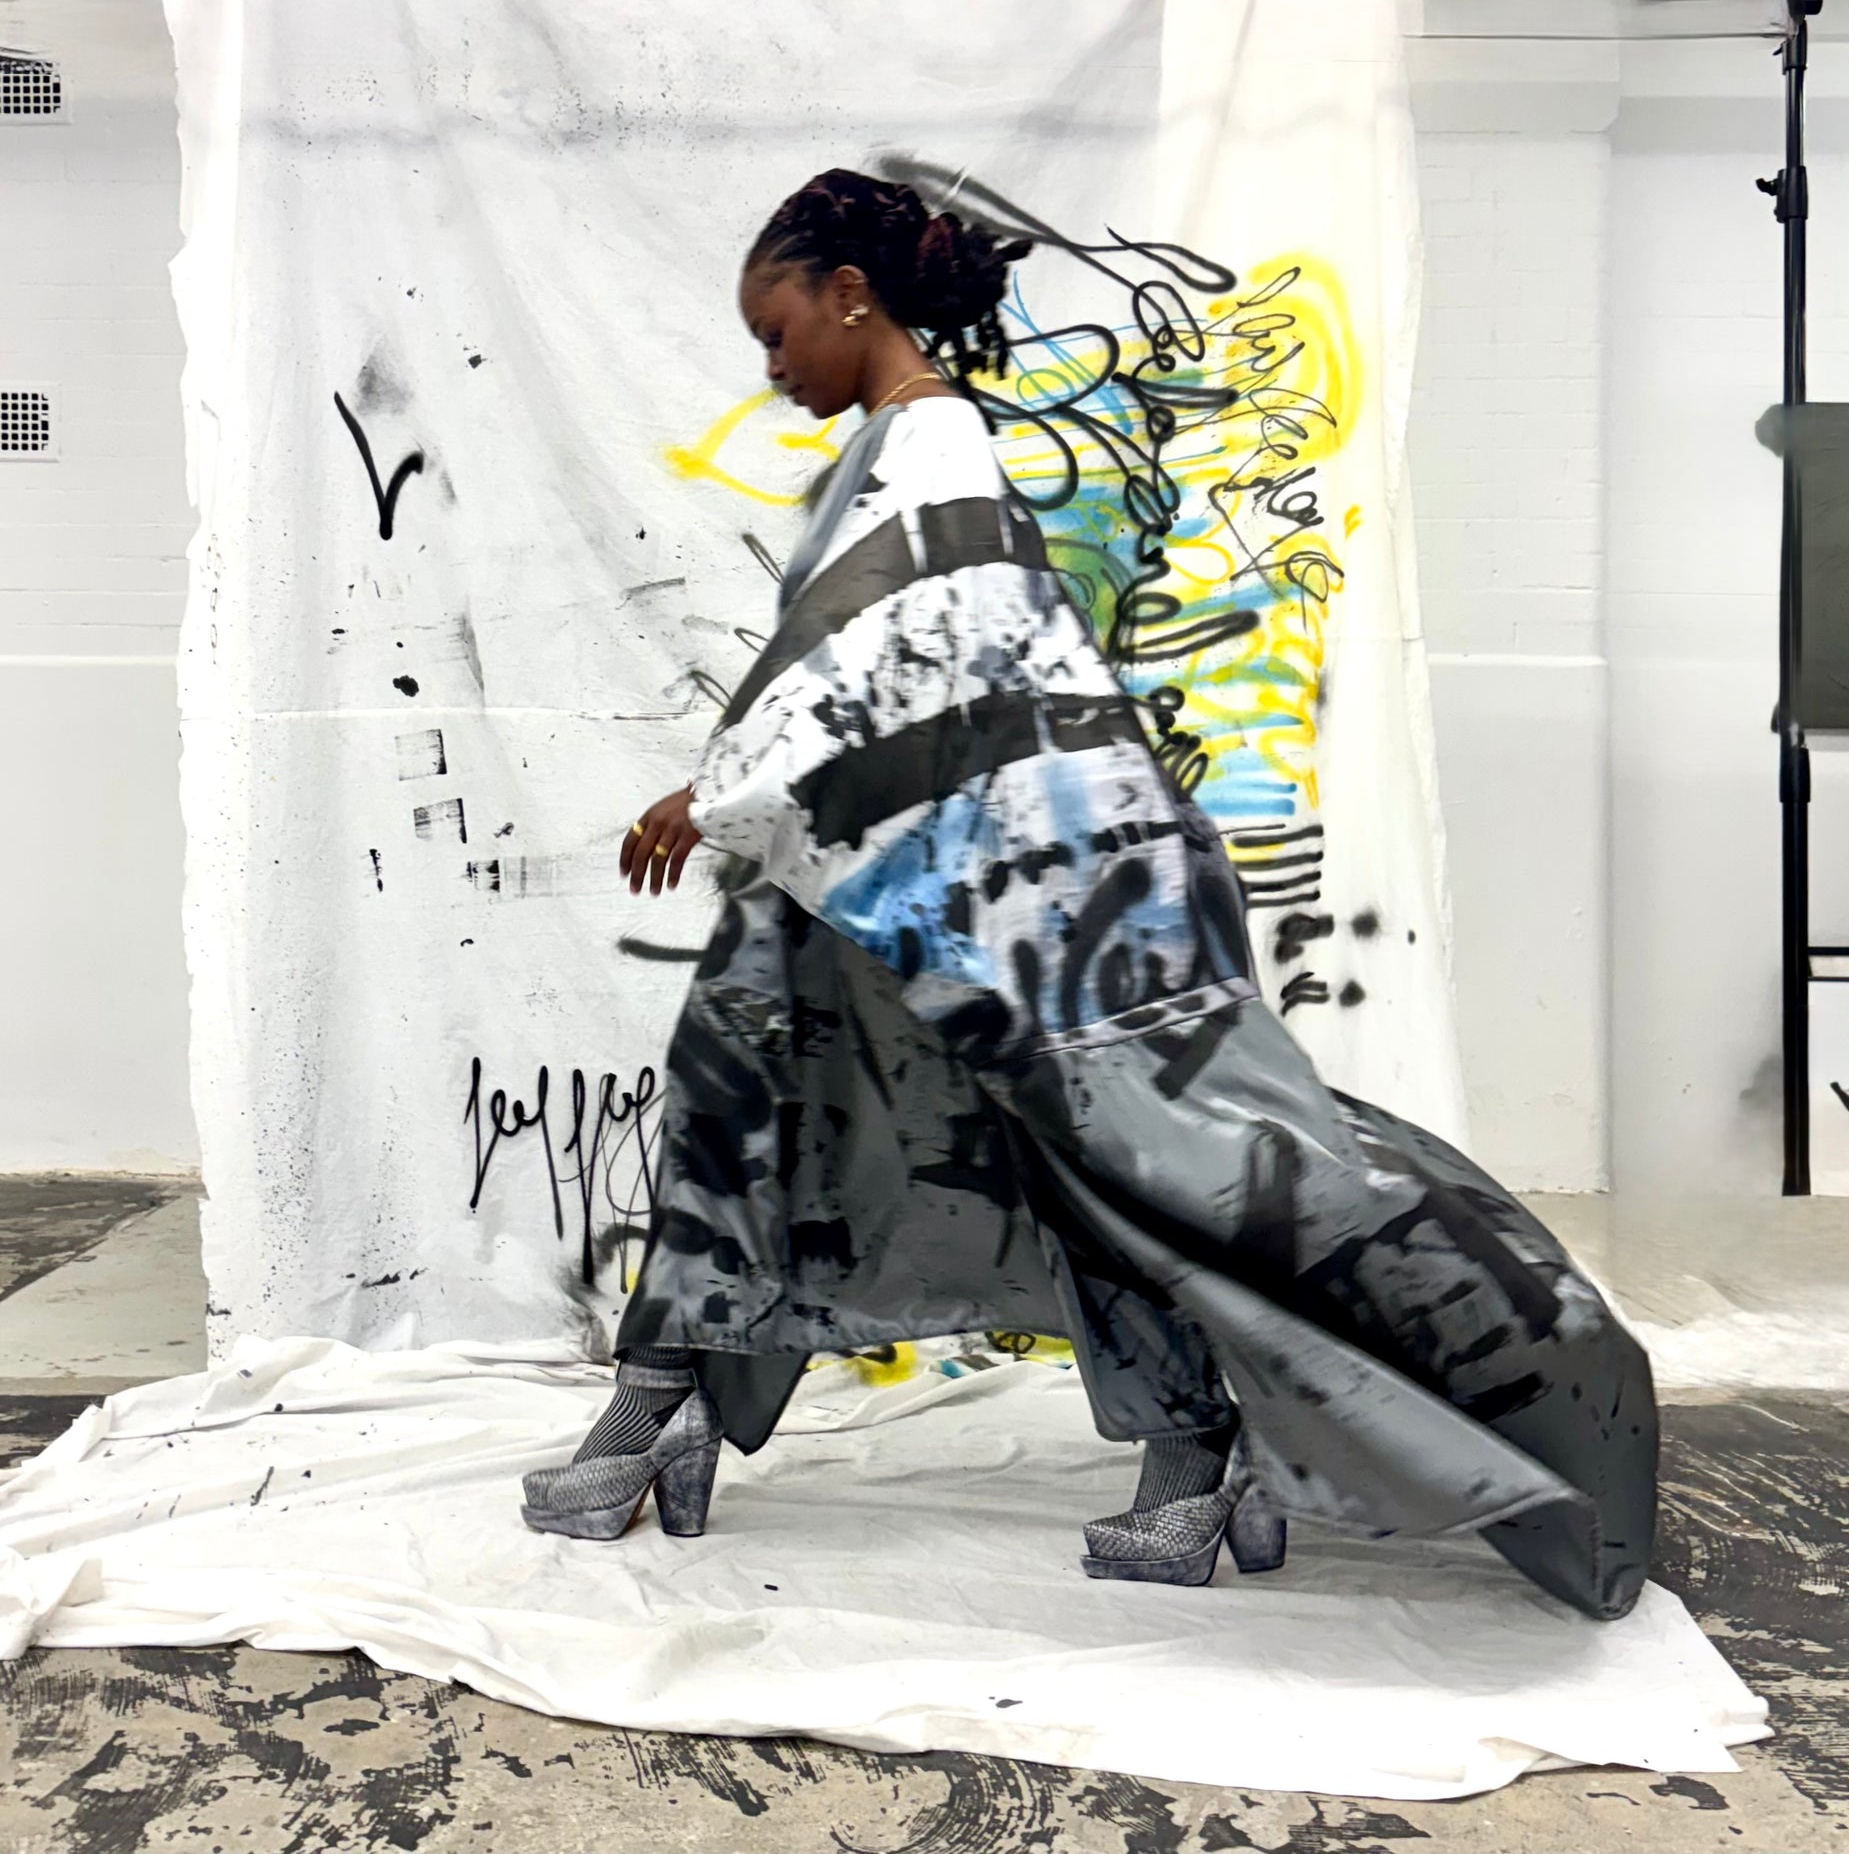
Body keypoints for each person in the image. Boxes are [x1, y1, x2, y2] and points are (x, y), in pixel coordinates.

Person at [520, 170, 1657, 1617]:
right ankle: (666, 1401)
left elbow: (890, 672)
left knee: (1089, 1165)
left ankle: (1195, 1452)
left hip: (1003, 894)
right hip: (901, 878)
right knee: (751, 1102)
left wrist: (720, 792)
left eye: (777, 328)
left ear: (848, 295)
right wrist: (755, 791)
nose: (771, 364)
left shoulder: (932, 449)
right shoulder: (897, 447)